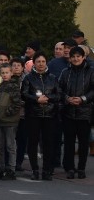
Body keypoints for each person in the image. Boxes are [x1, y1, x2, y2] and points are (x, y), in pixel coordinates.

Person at [21, 52, 60, 180]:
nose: (41, 64)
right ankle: (35, 169)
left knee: (49, 143)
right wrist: (36, 100)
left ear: (46, 62)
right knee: (33, 143)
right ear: (34, 63)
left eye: (43, 61)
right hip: (33, 114)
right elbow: (24, 94)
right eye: (38, 62)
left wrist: (47, 98)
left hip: (50, 114)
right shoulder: (28, 78)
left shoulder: (53, 78)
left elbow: (59, 94)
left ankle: (47, 170)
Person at [57, 46, 93, 179]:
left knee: (83, 143)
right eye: (73, 56)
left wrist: (83, 99)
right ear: (70, 58)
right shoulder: (66, 72)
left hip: (85, 112)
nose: (76, 59)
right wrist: (67, 98)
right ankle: (70, 168)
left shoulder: (91, 71)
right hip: (68, 112)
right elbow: (59, 89)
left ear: (83, 57)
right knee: (69, 142)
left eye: (78, 56)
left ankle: (81, 168)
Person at [0, 63, 23, 179]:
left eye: (7, 73)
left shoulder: (14, 86)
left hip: (10, 120)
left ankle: (11, 169)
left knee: (10, 146)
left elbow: (17, 104)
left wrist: (6, 112)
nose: (5, 75)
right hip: (0, 120)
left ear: (11, 73)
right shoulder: (0, 86)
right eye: (3, 73)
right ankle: (0, 168)